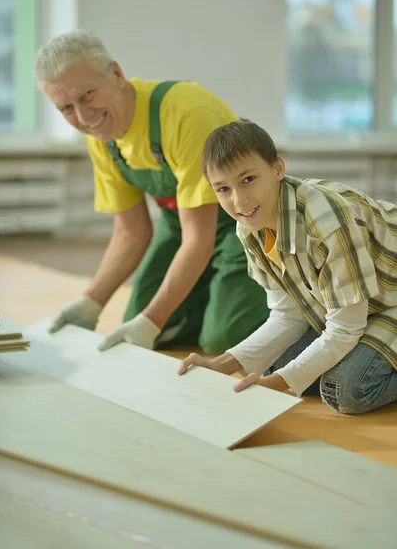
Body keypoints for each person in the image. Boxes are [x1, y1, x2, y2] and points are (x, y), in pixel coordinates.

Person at [34, 30, 269, 354]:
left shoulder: (185, 114)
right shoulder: (103, 137)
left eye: (88, 94)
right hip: (183, 227)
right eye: (66, 108)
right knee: (134, 321)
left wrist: (153, 320)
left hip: (245, 224)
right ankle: (210, 296)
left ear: (116, 74)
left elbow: (199, 239)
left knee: (221, 338)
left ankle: (283, 303)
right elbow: (131, 233)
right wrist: (90, 303)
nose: (84, 117)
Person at [178, 121, 397, 414]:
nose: (238, 201)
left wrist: (279, 384)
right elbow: (288, 316)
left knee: (345, 390)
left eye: (248, 179)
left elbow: (346, 327)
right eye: (223, 189)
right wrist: (221, 365)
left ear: (278, 168)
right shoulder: (249, 228)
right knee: (275, 365)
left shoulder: (327, 223)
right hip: (363, 308)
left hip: (389, 304)